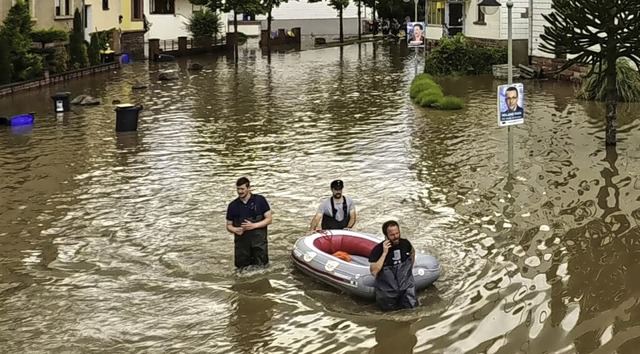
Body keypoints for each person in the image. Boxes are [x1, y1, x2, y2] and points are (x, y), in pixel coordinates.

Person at [369, 220, 418, 311]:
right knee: (390, 312)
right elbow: (374, 271)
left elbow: (412, 252)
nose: (396, 237)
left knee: (413, 308)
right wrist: (384, 253)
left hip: (406, 287)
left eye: (397, 233)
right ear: (386, 236)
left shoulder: (405, 243)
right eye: (392, 235)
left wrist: (411, 265)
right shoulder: (378, 250)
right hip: (388, 291)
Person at [226, 177, 273, 270]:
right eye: (238, 189)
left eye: (242, 189)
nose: (240, 191)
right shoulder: (233, 206)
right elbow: (228, 225)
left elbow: (269, 219)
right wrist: (235, 229)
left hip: (259, 243)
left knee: (262, 269)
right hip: (242, 246)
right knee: (241, 270)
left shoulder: (260, 200)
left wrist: (253, 226)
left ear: (249, 188)